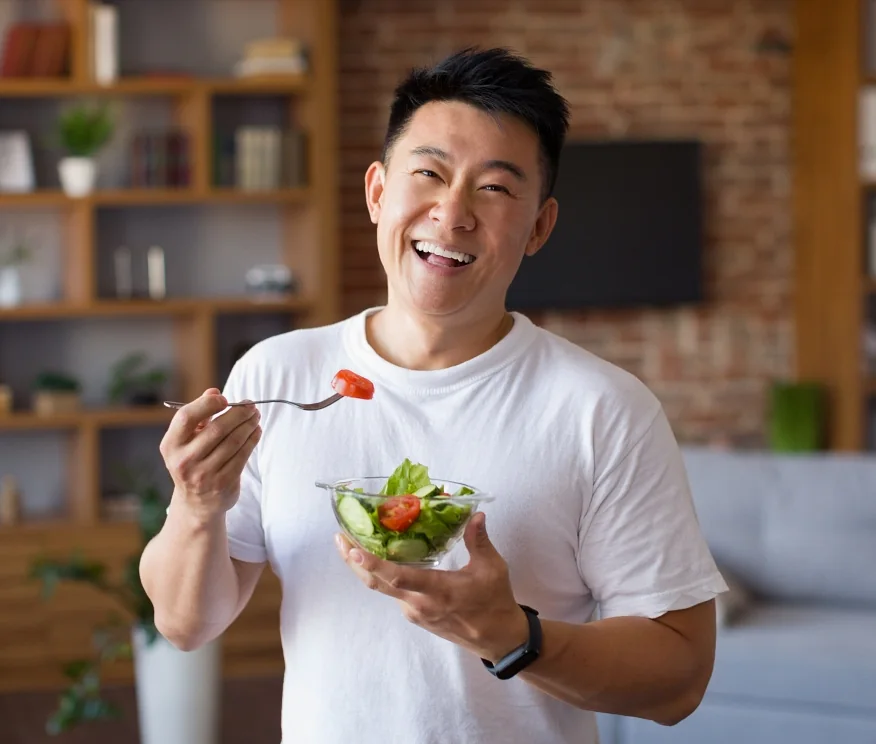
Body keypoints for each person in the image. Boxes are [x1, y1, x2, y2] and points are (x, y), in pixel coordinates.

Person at [140, 47, 727, 744]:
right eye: (430, 173)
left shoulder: (603, 410)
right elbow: (184, 622)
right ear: (377, 192)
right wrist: (197, 504)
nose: (451, 214)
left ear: (540, 226)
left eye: (495, 188)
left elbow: (680, 677)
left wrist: (513, 635)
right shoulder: (276, 376)